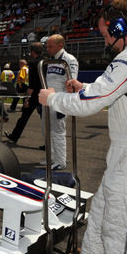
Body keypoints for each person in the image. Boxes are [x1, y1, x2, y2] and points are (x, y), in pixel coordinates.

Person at [39, 0, 127, 254]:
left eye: (107, 31)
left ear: (121, 25)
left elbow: (96, 103)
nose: (105, 38)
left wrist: (52, 98)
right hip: (125, 149)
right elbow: (115, 94)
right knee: (100, 212)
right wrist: (84, 88)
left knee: (117, 222)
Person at [41, 34, 79, 170]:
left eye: (50, 46)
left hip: (59, 102)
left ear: (60, 45)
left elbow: (72, 83)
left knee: (58, 132)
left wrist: (63, 106)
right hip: (48, 101)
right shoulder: (51, 61)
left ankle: (60, 161)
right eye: (47, 46)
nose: (48, 49)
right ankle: (51, 158)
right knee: (46, 131)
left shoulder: (69, 60)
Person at [4, 43, 44, 144]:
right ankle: (48, 143)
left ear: (33, 52)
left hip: (34, 94)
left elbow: (32, 82)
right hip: (44, 93)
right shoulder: (46, 61)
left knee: (24, 117)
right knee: (45, 120)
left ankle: (14, 137)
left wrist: (27, 99)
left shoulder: (33, 63)